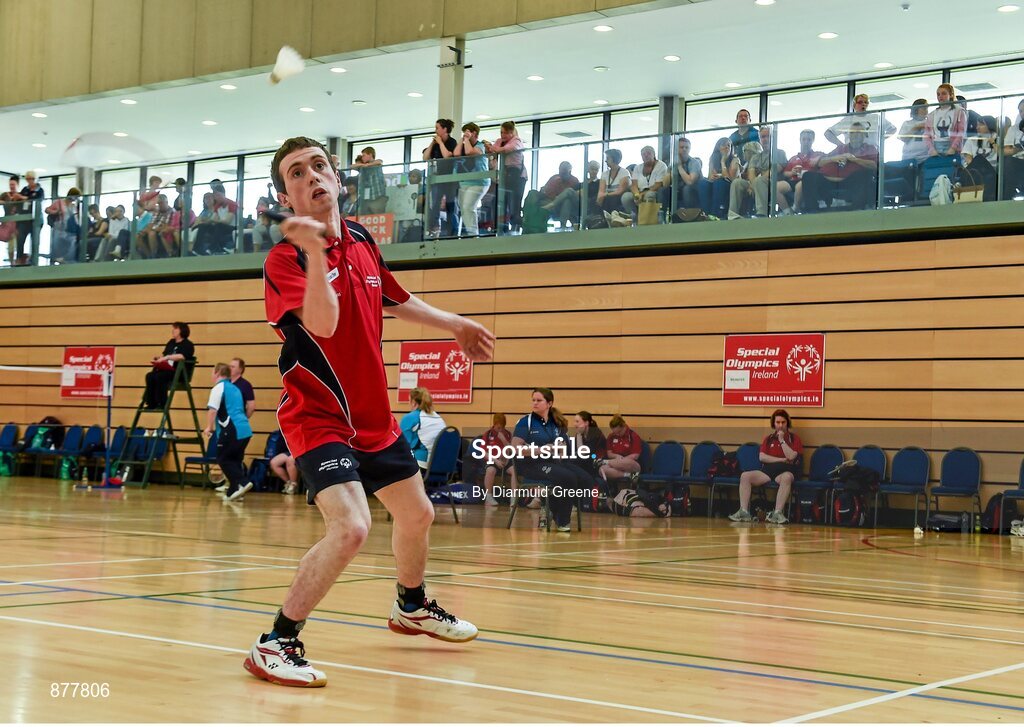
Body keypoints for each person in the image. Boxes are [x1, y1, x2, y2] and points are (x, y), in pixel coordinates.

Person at [253, 136, 494, 687]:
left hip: (373, 417)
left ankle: (410, 606)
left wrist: (454, 323)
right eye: (296, 173)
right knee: (353, 526)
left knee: (418, 515)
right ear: (286, 195)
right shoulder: (285, 259)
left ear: (338, 179)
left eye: (319, 166)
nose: (311, 176)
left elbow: (392, 297)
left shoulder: (361, 238)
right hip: (318, 417)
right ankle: (276, 641)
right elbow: (324, 323)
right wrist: (315, 253)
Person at [510, 388, 596, 532]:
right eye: (533, 400)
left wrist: (560, 448)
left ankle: (552, 507)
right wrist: (540, 449)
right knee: (568, 477)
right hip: (532, 465)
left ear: (549, 403)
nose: (535, 403)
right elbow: (514, 449)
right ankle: (562, 520)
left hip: (554, 463)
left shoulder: (555, 423)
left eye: (539, 400)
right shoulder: (526, 422)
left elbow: (561, 450)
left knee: (586, 479)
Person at [729, 409, 804, 525]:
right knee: (745, 476)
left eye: (783, 422)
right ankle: (743, 511)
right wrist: (781, 459)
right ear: (773, 424)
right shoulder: (768, 439)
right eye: (777, 422)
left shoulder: (794, 439)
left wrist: (782, 441)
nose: (780, 425)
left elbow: (791, 456)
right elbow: (762, 457)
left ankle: (778, 513)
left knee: (787, 478)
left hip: (785, 471)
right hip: (768, 471)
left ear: (787, 423)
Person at [203, 363, 254, 502]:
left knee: (223, 458)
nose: (211, 375)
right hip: (245, 429)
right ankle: (234, 491)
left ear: (218, 372)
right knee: (234, 460)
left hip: (232, 429)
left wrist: (209, 427)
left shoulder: (219, 388)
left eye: (212, 372)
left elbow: (212, 410)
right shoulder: (235, 388)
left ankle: (242, 482)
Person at [799, 122, 878, 212]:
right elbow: (820, 163)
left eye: (858, 132)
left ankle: (857, 209)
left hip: (851, 182)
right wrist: (835, 158)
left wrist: (854, 159)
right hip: (830, 181)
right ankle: (812, 211)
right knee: (808, 176)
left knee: (864, 174)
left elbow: (875, 165)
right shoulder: (841, 148)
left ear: (865, 135)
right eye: (852, 132)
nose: (855, 135)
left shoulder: (870, 149)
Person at [144, 322, 195, 411]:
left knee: (160, 377)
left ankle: (162, 403)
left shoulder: (188, 344)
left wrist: (167, 357)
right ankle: (151, 402)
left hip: (178, 372)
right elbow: (165, 355)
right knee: (150, 376)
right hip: (167, 370)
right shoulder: (171, 342)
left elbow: (182, 356)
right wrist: (160, 359)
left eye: (175, 328)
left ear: (181, 330)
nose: (173, 330)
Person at [423, 118, 460, 239]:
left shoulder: (451, 142)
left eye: (437, 128)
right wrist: (433, 143)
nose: (436, 130)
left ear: (445, 129)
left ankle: (452, 232)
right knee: (435, 205)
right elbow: (426, 157)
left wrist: (440, 143)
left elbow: (447, 156)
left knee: (450, 205)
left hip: (450, 179)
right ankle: (434, 228)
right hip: (438, 178)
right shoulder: (436, 144)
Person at [452, 122, 491, 236]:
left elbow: (470, 152)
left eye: (468, 132)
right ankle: (470, 232)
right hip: (464, 181)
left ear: (474, 133)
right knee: (463, 208)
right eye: (465, 132)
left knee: (469, 206)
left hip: (479, 182)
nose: (466, 134)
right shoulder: (465, 144)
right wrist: (462, 140)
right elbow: (456, 153)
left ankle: (473, 234)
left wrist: (468, 140)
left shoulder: (480, 146)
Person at [489, 121, 528, 233]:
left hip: (517, 176)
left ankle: (515, 226)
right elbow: (495, 149)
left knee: (514, 201)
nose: (502, 135)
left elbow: (508, 149)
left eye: (505, 133)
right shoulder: (499, 141)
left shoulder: (517, 141)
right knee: (498, 200)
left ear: (512, 133)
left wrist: (495, 148)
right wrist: (495, 148)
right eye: (501, 132)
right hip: (505, 175)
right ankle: (499, 225)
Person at [400, 387, 446, 473]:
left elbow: (402, 446)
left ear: (413, 402)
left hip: (422, 465)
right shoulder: (438, 417)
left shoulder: (410, 417)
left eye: (409, 401)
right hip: (441, 465)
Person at [824, 93, 896, 148]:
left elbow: (892, 129)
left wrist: (881, 140)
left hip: (872, 153)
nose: (863, 104)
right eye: (860, 102)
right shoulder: (848, 120)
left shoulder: (876, 117)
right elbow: (828, 133)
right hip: (852, 154)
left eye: (866, 102)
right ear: (854, 105)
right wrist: (842, 146)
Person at [777, 129, 822, 216]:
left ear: (813, 141)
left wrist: (819, 159)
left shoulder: (818, 155)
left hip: (807, 182)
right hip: (793, 180)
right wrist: (792, 172)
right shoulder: (793, 158)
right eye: (804, 139)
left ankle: (795, 209)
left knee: (800, 185)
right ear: (800, 140)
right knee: (776, 187)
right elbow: (785, 173)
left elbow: (825, 165)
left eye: (809, 139)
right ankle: (787, 212)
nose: (806, 142)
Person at [479, 413, 517, 506]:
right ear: (494, 424)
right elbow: (484, 452)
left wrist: (504, 439)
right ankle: (488, 497)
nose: (499, 428)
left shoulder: (508, 434)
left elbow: (510, 450)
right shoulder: (487, 434)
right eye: (497, 426)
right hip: (493, 460)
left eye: (501, 427)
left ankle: (513, 498)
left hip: (505, 460)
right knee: (490, 470)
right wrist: (496, 460)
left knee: (514, 471)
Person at [961, 115, 1000, 202]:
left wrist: (993, 143)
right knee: (978, 160)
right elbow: (968, 158)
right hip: (976, 171)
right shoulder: (972, 140)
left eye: (981, 125)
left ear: (989, 125)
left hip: (993, 170)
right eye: (977, 125)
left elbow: (1002, 155)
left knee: (979, 159)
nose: (977, 127)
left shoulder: (999, 139)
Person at [623, 146, 668, 217]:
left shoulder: (661, 166)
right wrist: (636, 195)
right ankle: (633, 218)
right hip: (639, 192)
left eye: (648, 153)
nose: (646, 155)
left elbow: (658, 184)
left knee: (649, 195)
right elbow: (634, 184)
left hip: (654, 191)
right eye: (643, 154)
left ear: (654, 154)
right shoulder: (638, 167)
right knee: (626, 197)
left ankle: (648, 220)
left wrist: (642, 194)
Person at [924, 83, 967, 158]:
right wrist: (931, 149)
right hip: (936, 147)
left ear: (950, 95)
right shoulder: (932, 114)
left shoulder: (959, 111)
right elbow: (926, 135)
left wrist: (953, 148)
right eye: (938, 94)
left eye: (944, 94)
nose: (940, 96)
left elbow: (961, 131)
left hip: (952, 147)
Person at [537, 161, 580, 230]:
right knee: (566, 200)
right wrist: (558, 198)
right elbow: (547, 192)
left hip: (572, 206)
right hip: (556, 205)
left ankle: (553, 205)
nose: (562, 175)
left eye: (564, 172)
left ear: (570, 172)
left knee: (568, 198)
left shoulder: (574, 180)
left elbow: (576, 195)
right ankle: (562, 226)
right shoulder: (554, 178)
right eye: (560, 172)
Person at [599, 415, 642, 484]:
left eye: (619, 432)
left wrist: (622, 460)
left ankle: (605, 462)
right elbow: (609, 453)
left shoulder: (633, 436)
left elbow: (635, 455)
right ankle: (628, 475)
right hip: (616, 463)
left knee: (626, 462)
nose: (617, 434)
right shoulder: (611, 436)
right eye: (615, 433)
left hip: (630, 464)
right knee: (602, 470)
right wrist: (616, 456)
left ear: (624, 427)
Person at [673, 137, 710, 213]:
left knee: (687, 189)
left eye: (687, 147)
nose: (684, 149)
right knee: (664, 190)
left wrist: (679, 167)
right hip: (679, 190)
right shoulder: (673, 162)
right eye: (681, 147)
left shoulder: (694, 162)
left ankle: (690, 216)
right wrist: (672, 170)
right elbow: (665, 183)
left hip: (695, 190)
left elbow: (690, 182)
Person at [15, 171, 44, 265]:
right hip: (24, 220)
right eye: (28, 179)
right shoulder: (25, 189)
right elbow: (19, 201)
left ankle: (34, 260)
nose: (29, 181)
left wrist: (24, 198)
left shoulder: (40, 190)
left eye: (31, 179)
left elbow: (37, 200)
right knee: (20, 240)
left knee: (35, 241)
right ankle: (19, 259)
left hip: (35, 220)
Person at [45, 187, 81, 264]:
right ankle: (54, 260)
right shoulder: (59, 202)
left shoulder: (73, 206)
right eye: (76, 196)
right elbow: (47, 210)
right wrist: (56, 212)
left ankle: (66, 259)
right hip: (59, 227)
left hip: (70, 228)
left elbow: (76, 218)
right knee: (57, 244)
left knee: (71, 242)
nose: (75, 199)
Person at [707, 137, 739, 219]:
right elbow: (710, 176)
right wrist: (713, 177)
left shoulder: (735, 160)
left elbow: (730, 179)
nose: (727, 147)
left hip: (729, 186)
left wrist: (723, 161)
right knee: (703, 184)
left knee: (720, 182)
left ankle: (717, 214)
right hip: (715, 183)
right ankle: (705, 213)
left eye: (729, 145)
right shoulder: (713, 158)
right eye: (723, 145)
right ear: (718, 147)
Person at [352, 147, 388, 215]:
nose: (362, 158)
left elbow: (380, 161)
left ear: (370, 155)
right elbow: (351, 166)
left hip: (377, 197)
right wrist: (363, 165)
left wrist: (368, 165)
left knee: (378, 217)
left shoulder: (376, 163)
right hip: (365, 199)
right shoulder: (362, 167)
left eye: (364, 155)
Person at [1001, 99, 1024, 199]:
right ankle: (1006, 200)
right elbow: (1005, 151)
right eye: (1020, 111)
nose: (1023, 113)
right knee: (1008, 163)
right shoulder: (1014, 129)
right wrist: (1017, 149)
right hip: (1017, 161)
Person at [596, 148, 630, 214]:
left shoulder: (624, 172)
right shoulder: (604, 174)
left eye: (608, 158)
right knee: (595, 201)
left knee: (611, 199)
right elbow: (601, 191)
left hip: (618, 198)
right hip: (607, 197)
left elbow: (619, 191)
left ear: (614, 159)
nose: (605, 161)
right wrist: (598, 201)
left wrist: (605, 195)